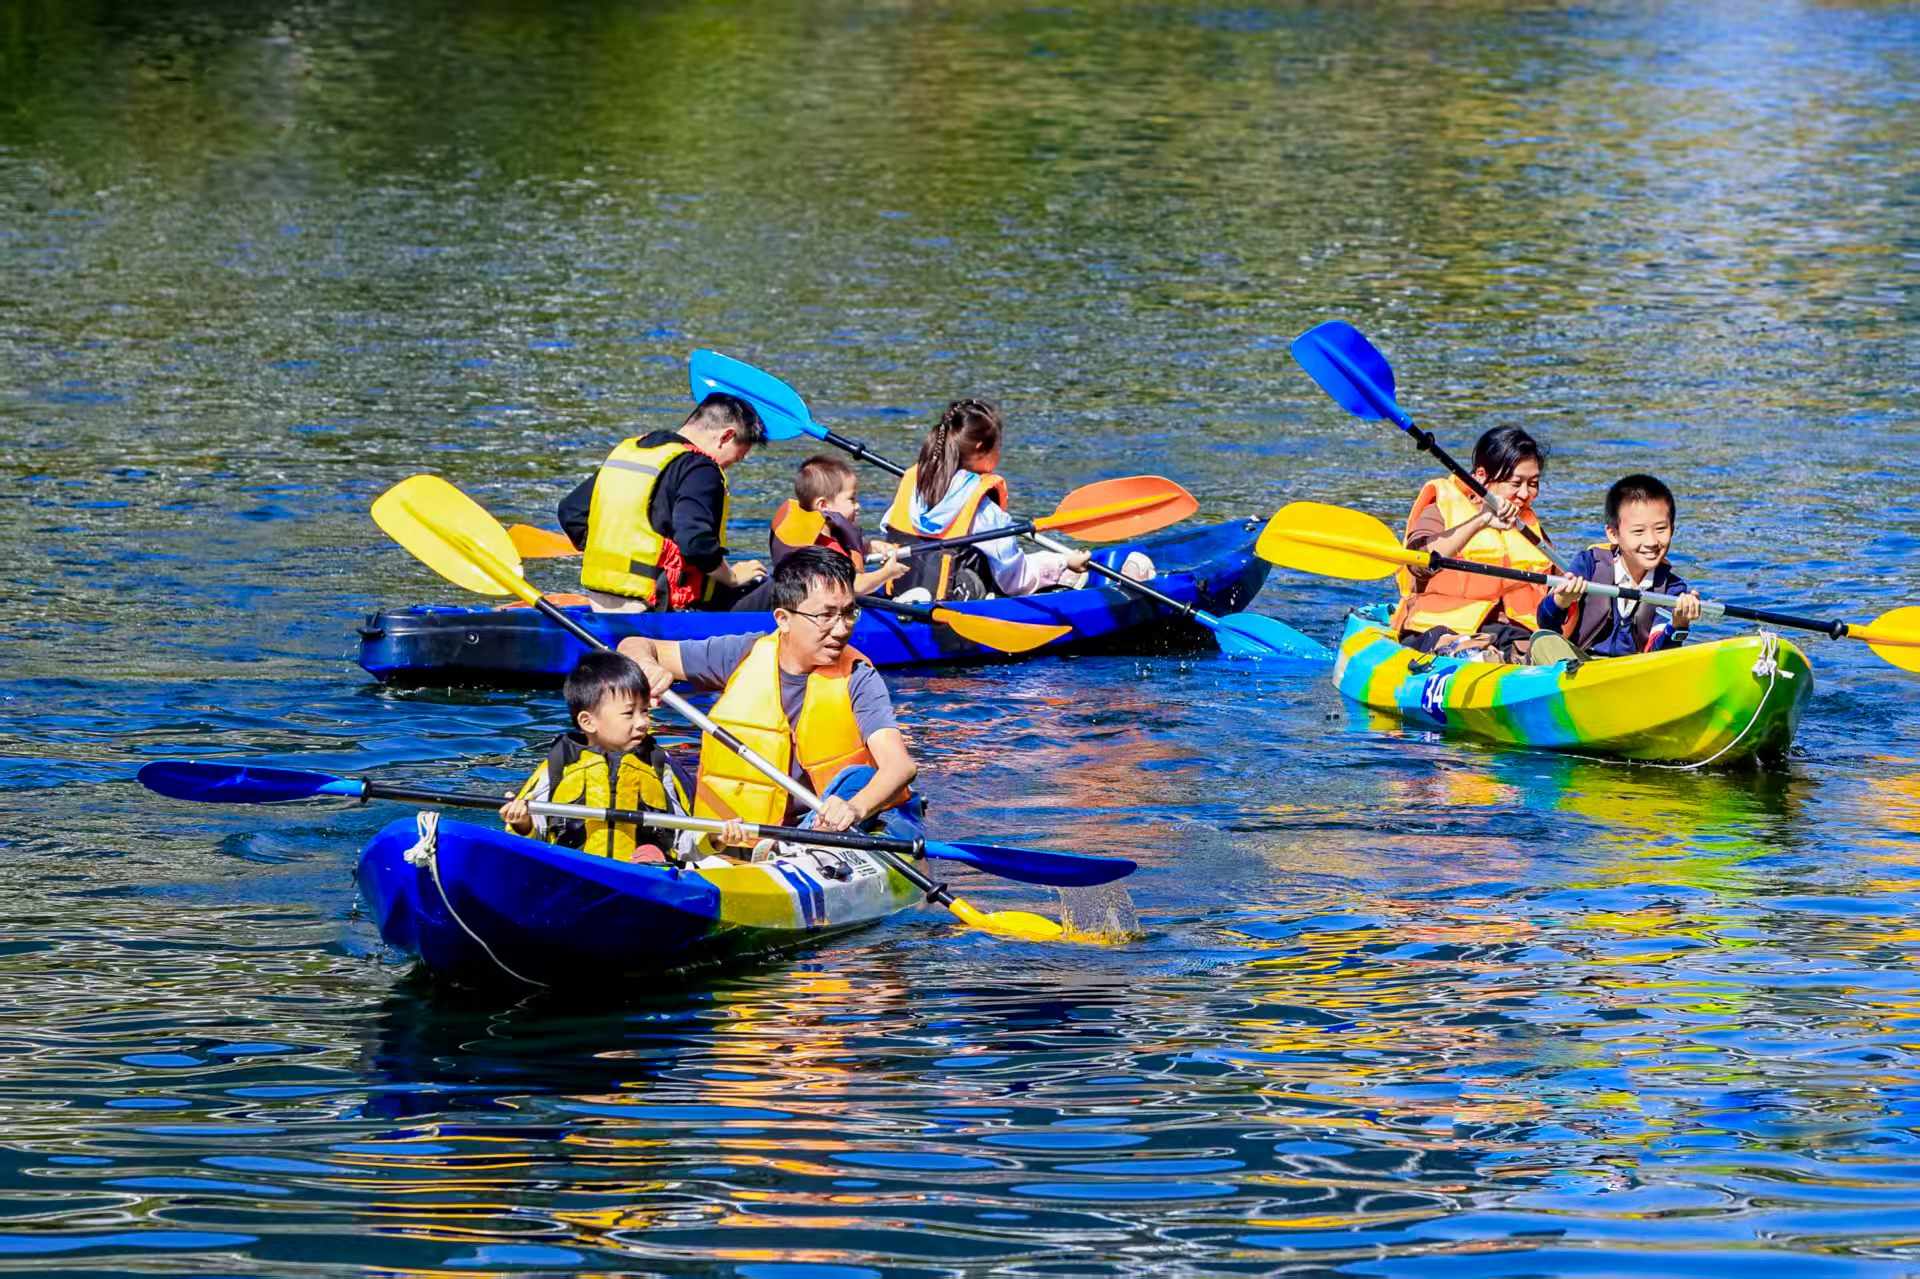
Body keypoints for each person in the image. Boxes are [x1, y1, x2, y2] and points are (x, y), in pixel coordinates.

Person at [617, 547, 921, 853]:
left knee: (860, 778)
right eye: (827, 615)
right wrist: (648, 666)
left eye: (849, 613)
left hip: (820, 832)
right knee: (652, 760)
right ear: (783, 619)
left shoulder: (859, 678)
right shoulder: (741, 653)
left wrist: (854, 809)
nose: (842, 629)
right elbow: (634, 645)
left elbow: (899, 767)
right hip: (733, 834)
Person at [558, 392, 771, 614]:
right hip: (659, 609)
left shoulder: (629, 453)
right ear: (726, 436)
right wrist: (733, 576)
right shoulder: (700, 468)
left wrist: (613, 554)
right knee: (780, 587)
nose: (728, 467)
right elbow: (696, 544)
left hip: (600, 600)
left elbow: (570, 512)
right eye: (735, 458)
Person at [879, 398, 1093, 602]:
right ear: (981, 447)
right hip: (956, 607)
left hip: (899, 597)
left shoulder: (912, 485)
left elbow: (887, 534)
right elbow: (1016, 581)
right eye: (999, 447)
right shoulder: (984, 509)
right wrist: (1063, 562)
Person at [499, 650, 701, 864]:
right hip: (573, 873)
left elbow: (685, 839)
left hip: (645, 879)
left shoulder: (661, 768)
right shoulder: (558, 767)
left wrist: (713, 838)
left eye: (644, 711)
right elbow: (534, 838)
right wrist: (522, 823)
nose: (642, 722)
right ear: (588, 722)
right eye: (628, 713)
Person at [1391, 425, 1556, 663]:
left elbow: (1556, 587)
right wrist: (1481, 521)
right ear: (1481, 476)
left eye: (1533, 483)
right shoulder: (1441, 508)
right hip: (1440, 629)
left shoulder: (1528, 525)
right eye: (1515, 482)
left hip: (1509, 634)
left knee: (1532, 646)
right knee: (1461, 646)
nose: (1524, 494)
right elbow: (1418, 563)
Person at [1530, 474, 1703, 664]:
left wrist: (1678, 625)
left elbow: (1660, 654)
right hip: (1579, 666)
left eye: (1661, 529)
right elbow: (1546, 622)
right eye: (1638, 531)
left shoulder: (1672, 588)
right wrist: (1560, 601)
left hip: (1633, 673)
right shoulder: (1588, 564)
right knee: (1542, 640)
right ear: (1613, 534)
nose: (1652, 542)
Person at [768, 455, 911, 597]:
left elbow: (844, 550)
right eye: (852, 499)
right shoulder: (825, 549)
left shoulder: (818, 536)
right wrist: (888, 573)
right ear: (824, 505)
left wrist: (870, 546)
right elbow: (855, 586)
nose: (858, 506)